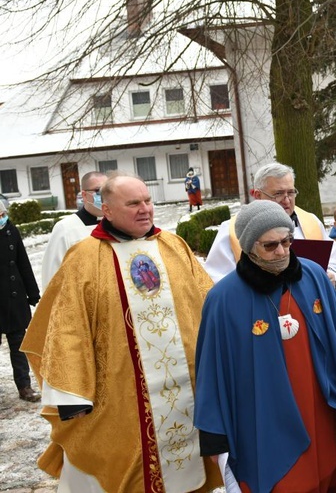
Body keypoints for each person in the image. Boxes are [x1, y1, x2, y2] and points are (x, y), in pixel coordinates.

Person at [22, 173, 221, 492]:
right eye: (133, 203)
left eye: (148, 201)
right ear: (107, 209)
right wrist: (71, 395)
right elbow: (66, 327)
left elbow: (209, 301)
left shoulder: (173, 246)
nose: (145, 209)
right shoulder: (85, 257)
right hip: (119, 398)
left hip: (187, 393)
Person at [194, 199, 336, 493]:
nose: (281, 251)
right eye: (270, 245)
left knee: (327, 474)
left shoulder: (313, 275)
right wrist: (215, 436)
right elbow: (212, 370)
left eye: (287, 241)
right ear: (249, 247)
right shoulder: (224, 299)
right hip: (261, 417)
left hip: (317, 408)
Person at [203, 163, 336, 302]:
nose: (286, 200)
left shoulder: (311, 222)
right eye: (278, 194)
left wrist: (332, 279)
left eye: (291, 192)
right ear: (257, 195)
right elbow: (216, 282)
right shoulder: (232, 230)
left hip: (309, 310)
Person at [0, 201, 41, 403]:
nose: (2, 218)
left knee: (18, 344)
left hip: (14, 297)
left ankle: (24, 386)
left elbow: (23, 262)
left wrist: (33, 293)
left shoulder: (11, 231)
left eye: (3, 214)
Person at [40, 171, 107, 290]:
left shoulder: (118, 223)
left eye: (107, 190)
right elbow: (52, 274)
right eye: (98, 191)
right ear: (85, 195)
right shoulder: (66, 228)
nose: (104, 195)